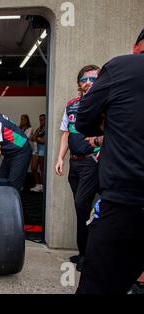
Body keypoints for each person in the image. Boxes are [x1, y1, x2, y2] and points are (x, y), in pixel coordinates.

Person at [75, 28, 144, 294]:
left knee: (98, 286)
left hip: (128, 201)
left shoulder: (122, 66)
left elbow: (84, 121)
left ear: (136, 47)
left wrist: (110, 126)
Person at [54, 65, 101, 272]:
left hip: (93, 161)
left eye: (93, 79)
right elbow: (65, 133)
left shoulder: (104, 102)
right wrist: (60, 158)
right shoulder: (71, 105)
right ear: (79, 83)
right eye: (84, 79)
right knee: (80, 210)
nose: (88, 83)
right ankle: (84, 254)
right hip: (74, 163)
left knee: (83, 205)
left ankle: (91, 255)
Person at [30, 114, 46, 192]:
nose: (41, 121)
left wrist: (36, 138)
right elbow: (31, 138)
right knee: (33, 168)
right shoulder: (39, 129)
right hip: (35, 151)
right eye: (40, 120)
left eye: (42, 119)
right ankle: (38, 185)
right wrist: (37, 138)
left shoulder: (47, 129)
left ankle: (43, 186)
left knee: (42, 169)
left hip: (43, 151)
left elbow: (43, 141)